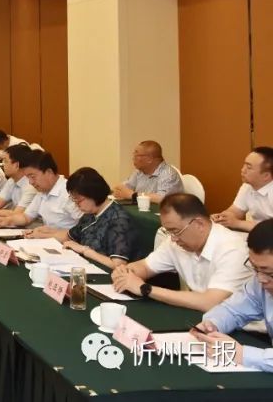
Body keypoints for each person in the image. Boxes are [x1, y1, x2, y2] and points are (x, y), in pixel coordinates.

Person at [113, 193, 250, 311]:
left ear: (199, 224)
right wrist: (126, 273)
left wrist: (146, 289)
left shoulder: (233, 249)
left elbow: (211, 302)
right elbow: (145, 267)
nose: (173, 238)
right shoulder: (176, 241)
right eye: (169, 231)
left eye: (175, 231)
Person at [193, 218, 273, 372]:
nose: (260, 279)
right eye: (255, 268)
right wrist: (212, 324)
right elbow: (233, 310)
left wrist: (241, 354)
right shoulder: (259, 282)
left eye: (269, 272)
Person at [32, 167, 141, 270]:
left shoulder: (119, 219)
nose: (76, 205)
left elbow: (118, 265)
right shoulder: (89, 214)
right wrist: (41, 235)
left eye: (78, 200)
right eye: (74, 200)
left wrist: (85, 250)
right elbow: (69, 236)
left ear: (93, 193)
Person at [0, 151, 81, 232]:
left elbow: (84, 227)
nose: (30, 182)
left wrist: (55, 234)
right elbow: (26, 217)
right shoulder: (42, 192)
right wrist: (7, 221)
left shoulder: (68, 193)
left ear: (49, 172)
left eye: (32, 177)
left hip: (67, 243)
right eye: (28, 178)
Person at [213, 147, 273, 232]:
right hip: (259, 234)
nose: (242, 170)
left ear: (266, 176)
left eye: (249, 167)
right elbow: (236, 211)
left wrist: (238, 223)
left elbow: (270, 229)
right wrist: (222, 217)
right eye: (244, 165)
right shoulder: (247, 186)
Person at [111, 140, 184, 204]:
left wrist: (133, 195)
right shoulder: (139, 172)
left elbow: (163, 198)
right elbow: (122, 188)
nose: (133, 158)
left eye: (136, 155)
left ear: (149, 159)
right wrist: (119, 191)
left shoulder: (168, 173)